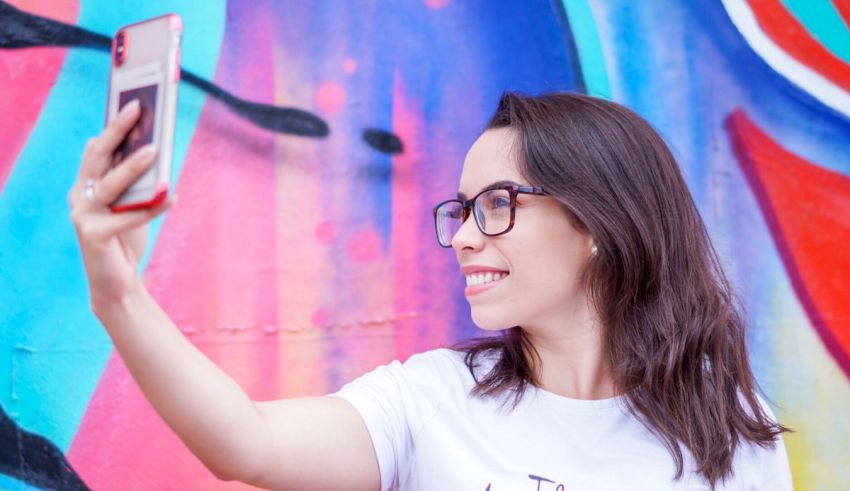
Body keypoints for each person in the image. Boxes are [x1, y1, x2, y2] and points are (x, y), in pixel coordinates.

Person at [69, 92, 792, 490]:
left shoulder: (727, 426)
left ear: (600, 220)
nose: (467, 236)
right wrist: (118, 295)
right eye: (462, 209)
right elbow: (245, 444)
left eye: (498, 203)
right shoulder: (433, 399)